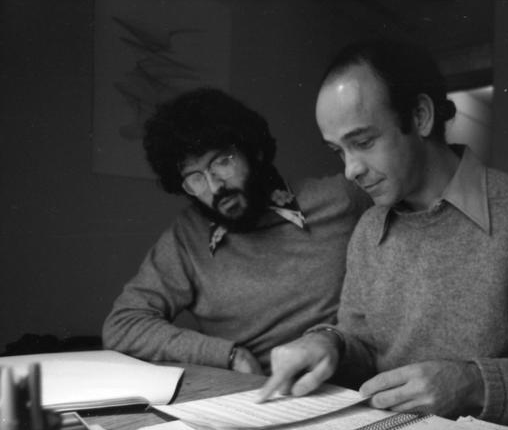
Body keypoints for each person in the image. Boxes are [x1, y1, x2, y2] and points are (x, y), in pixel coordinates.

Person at [259, 39, 508, 430]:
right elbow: (362, 343)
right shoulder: (368, 230)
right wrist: (329, 342)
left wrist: (472, 383)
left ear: (420, 116)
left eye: (363, 142)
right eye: (338, 151)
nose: (350, 170)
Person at [102, 88, 371, 374]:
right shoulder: (188, 236)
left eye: (222, 162)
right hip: (248, 397)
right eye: (195, 178)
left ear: (253, 151)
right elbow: (122, 325)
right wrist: (227, 355)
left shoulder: (343, 199)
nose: (215, 187)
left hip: (343, 389)